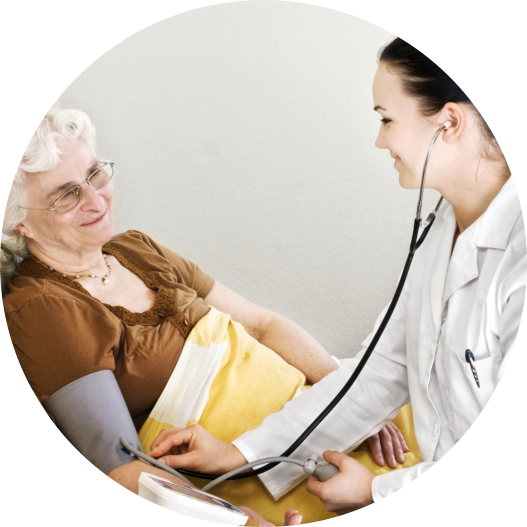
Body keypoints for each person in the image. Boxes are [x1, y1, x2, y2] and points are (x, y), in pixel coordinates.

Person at [145, 36, 526, 512]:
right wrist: (244, 453)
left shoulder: (518, 258)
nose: (379, 139)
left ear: (448, 123)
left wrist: (374, 492)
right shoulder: (439, 231)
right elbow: (380, 369)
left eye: (387, 119)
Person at [2, 108, 412, 526]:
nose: (95, 199)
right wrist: (242, 522)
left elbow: (261, 325)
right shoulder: (40, 307)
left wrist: (348, 398)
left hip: (314, 420)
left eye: (95, 175)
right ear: (21, 222)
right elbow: (118, 465)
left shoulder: (137, 248)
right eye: (66, 194)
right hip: (262, 482)